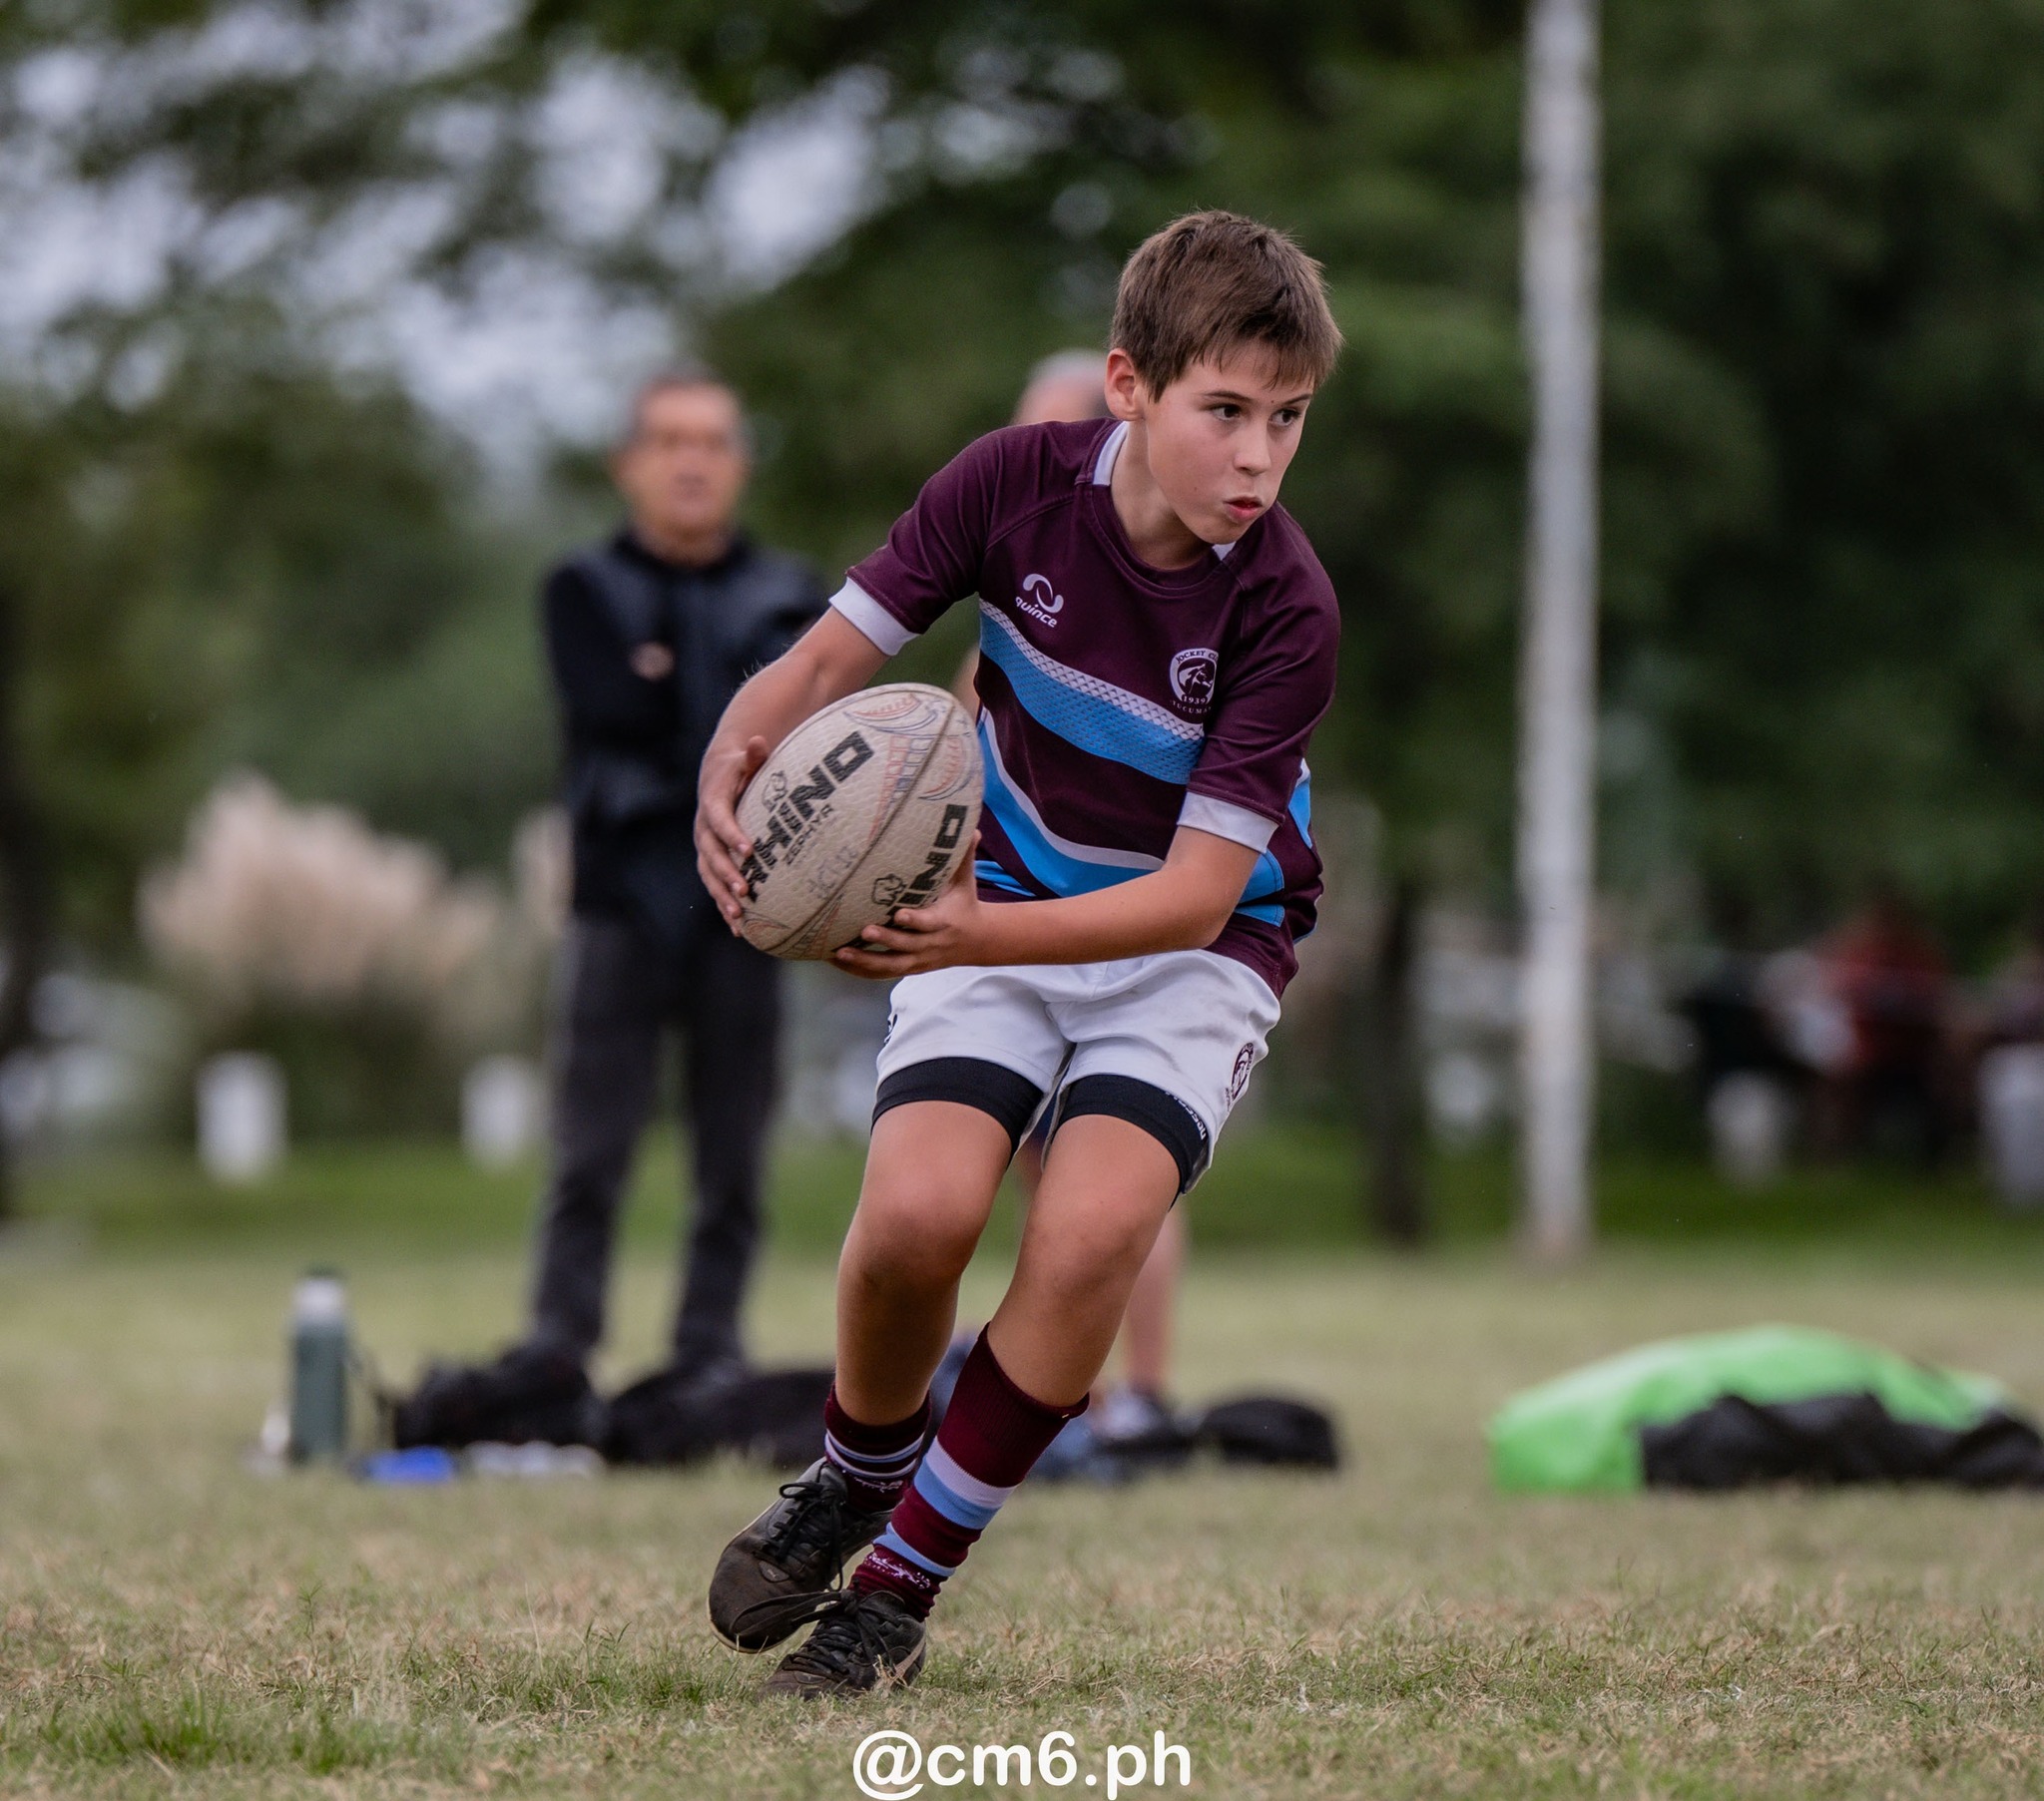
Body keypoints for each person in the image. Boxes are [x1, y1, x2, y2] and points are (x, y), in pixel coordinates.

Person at [695, 211, 1343, 1695]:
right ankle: (857, 1471)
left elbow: (1192, 897)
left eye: (1288, 419)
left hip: (1196, 948)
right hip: (998, 892)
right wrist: (729, 759)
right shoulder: (1008, 486)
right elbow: (827, 659)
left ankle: (898, 1587)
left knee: (1092, 1230)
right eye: (1224, 411)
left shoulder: (1286, 604)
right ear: (1128, 385)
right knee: (917, 1219)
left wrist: (969, 929)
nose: (1257, 457)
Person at [510, 371, 826, 1406]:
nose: (691, 462)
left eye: (712, 441)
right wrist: (730, 721)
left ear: (740, 463)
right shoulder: (579, 586)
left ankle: (707, 1351)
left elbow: (797, 736)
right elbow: (618, 712)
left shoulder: (790, 593)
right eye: (669, 441)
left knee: (734, 1155)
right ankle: (559, 1346)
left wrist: (694, 711)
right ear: (628, 463)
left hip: (747, 904)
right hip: (620, 903)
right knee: (588, 1150)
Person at [953, 349, 1187, 1460]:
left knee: (1121, 1174)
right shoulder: (1012, 602)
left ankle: (1141, 1392)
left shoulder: (1183, 593)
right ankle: (1069, 1396)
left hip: (1137, 937)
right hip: (1018, 929)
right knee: (1029, 1167)